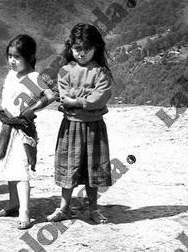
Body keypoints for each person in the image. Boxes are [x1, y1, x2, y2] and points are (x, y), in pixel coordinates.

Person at [0, 35, 55, 229]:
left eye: (17, 57)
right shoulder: (11, 74)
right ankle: (13, 203)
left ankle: (25, 212)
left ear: (29, 57)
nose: (12, 61)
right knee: (9, 167)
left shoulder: (31, 78)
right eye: (10, 56)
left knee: (21, 171)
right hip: (5, 126)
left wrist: (32, 109)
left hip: (21, 129)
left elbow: (49, 96)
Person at [47, 23, 113, 224]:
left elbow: (100, 97)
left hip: (94, 128)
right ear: (71, 47)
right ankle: (64, 208)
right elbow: (65, 95)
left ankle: (93, 209)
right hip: (71, 126)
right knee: (69, 168)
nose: (81, 53)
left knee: (93, 168)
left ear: (96, 48)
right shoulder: (64, 71)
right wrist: (86, 97)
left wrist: (77, 101)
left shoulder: (101, 72)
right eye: (77, 48)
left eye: (87, 48)